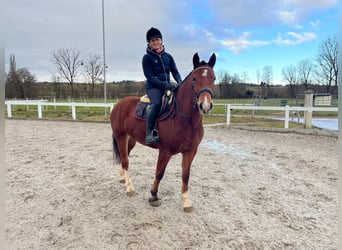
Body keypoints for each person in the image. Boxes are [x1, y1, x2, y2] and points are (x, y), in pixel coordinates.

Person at [142, 27, 182, 144]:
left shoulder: (168, 57)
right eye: (152, 40)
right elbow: (149, 77)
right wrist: (165, 85)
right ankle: (149, 134)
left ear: (161, 40)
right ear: (149, 43)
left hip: (168, 86)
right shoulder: (147, 58)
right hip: (154, 87)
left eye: (157, 39)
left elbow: (175, 72)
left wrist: (180, 83)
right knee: (157, 103)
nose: (155, 42)